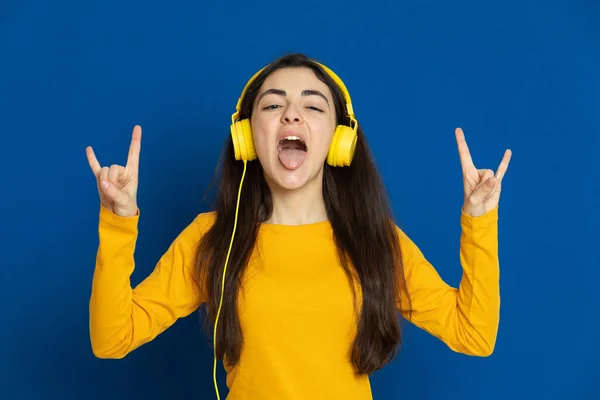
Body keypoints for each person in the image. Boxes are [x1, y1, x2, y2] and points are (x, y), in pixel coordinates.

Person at [86, 53, 512, 400]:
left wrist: (479, 221)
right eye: (273, 105)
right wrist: (119, 222)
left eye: (312, 105)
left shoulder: (375, 240)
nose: (292, 116)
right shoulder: (213, 238)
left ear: (339, 140)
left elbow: (472, 333)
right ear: (248, 137)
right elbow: (112, 338)